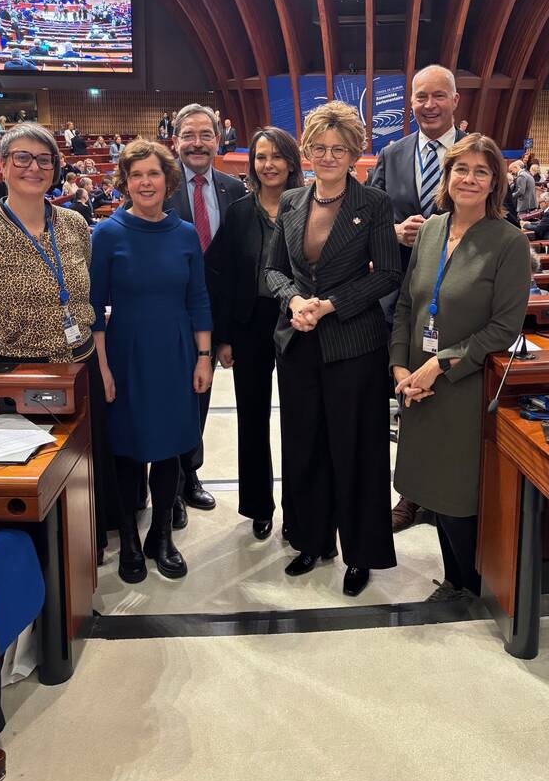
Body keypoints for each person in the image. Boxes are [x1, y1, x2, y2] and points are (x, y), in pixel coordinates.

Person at [0, 123, 114, 559]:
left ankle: (92, 546)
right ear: (3, 165)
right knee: (32, 482)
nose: (34, 167)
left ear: (55, 167)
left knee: (90, 467)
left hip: (79, 365)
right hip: (17, 377)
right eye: (23, 158)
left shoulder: (73, 224)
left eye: (44, 159)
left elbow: (81, 293)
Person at [266, 101, 401, 597]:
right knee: (304, 446)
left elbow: (388, 273)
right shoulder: (292, 202)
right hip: (299, 343)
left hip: (353, 344)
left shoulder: (374, 204)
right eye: (319, 148)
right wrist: (296, 299)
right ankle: (311, 539)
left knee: (357, 451)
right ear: (307, 151)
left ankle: (359, 553)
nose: (327, 156)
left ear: (354, 154)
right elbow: (272, 270)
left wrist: (329, 305)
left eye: (337, 149)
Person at [391, 134, 530, 602]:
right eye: (461, 169)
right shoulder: (431, 229)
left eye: (481, 171)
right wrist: (398, 367)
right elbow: (407, 308)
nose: (469, 179)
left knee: (456, 496)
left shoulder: (508, 241)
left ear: (495, 183)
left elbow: (503, 328)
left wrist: (441, 364)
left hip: (462, 386)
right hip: (417, 384)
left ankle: (469, 584)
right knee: (427, 485)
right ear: (447, 177)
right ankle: (453, 580)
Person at [90, 139, 212, 583]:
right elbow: (93, 308)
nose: (146, 182)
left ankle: (162, 536)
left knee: (169, 451)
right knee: (128, 451)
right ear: (125, 182)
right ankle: (129, 539)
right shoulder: (105, 235)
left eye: (154, 174)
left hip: (177, 352)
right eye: (137, 174)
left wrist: (203, 357)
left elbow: (197, 297)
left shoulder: (183, 234)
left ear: (168, 180)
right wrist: (102, 367)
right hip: (126, 353)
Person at [370, 64, 467, 532]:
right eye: (420, 97)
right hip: (402, 299)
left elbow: (501, 219)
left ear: (455, 100)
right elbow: (366, 223)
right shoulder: (391, 153)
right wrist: (392, 232)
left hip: (461, 300)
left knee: (451, 402)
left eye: (437, 96)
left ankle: (447, 495)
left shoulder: (475, 154)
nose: (428, 105)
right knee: (410, 395)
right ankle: (409, 495)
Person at [207, 127, 304, 541]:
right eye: (261, 157)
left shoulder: (309, 206)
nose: (268, 165)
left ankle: (301, 511)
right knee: (252, 417)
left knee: (301, 421)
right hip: (249, 324)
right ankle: (259, 506)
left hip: (298, 323)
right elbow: (223, 277)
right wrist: (224, 337)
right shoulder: (239, 213)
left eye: (277, 157)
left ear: (291, 162)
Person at [168, 104, 246, 524]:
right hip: (165, 315)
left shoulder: (235, 190)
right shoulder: (157, 185)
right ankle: (167, 482)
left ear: (219, 140)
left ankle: (188, 476)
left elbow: (235, 266)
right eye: (189, 135)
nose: (197, 143)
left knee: (199, 398)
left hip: (211, 318)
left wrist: (227, 332)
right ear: (175, 141)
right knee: (168, 399)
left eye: (205, 135)